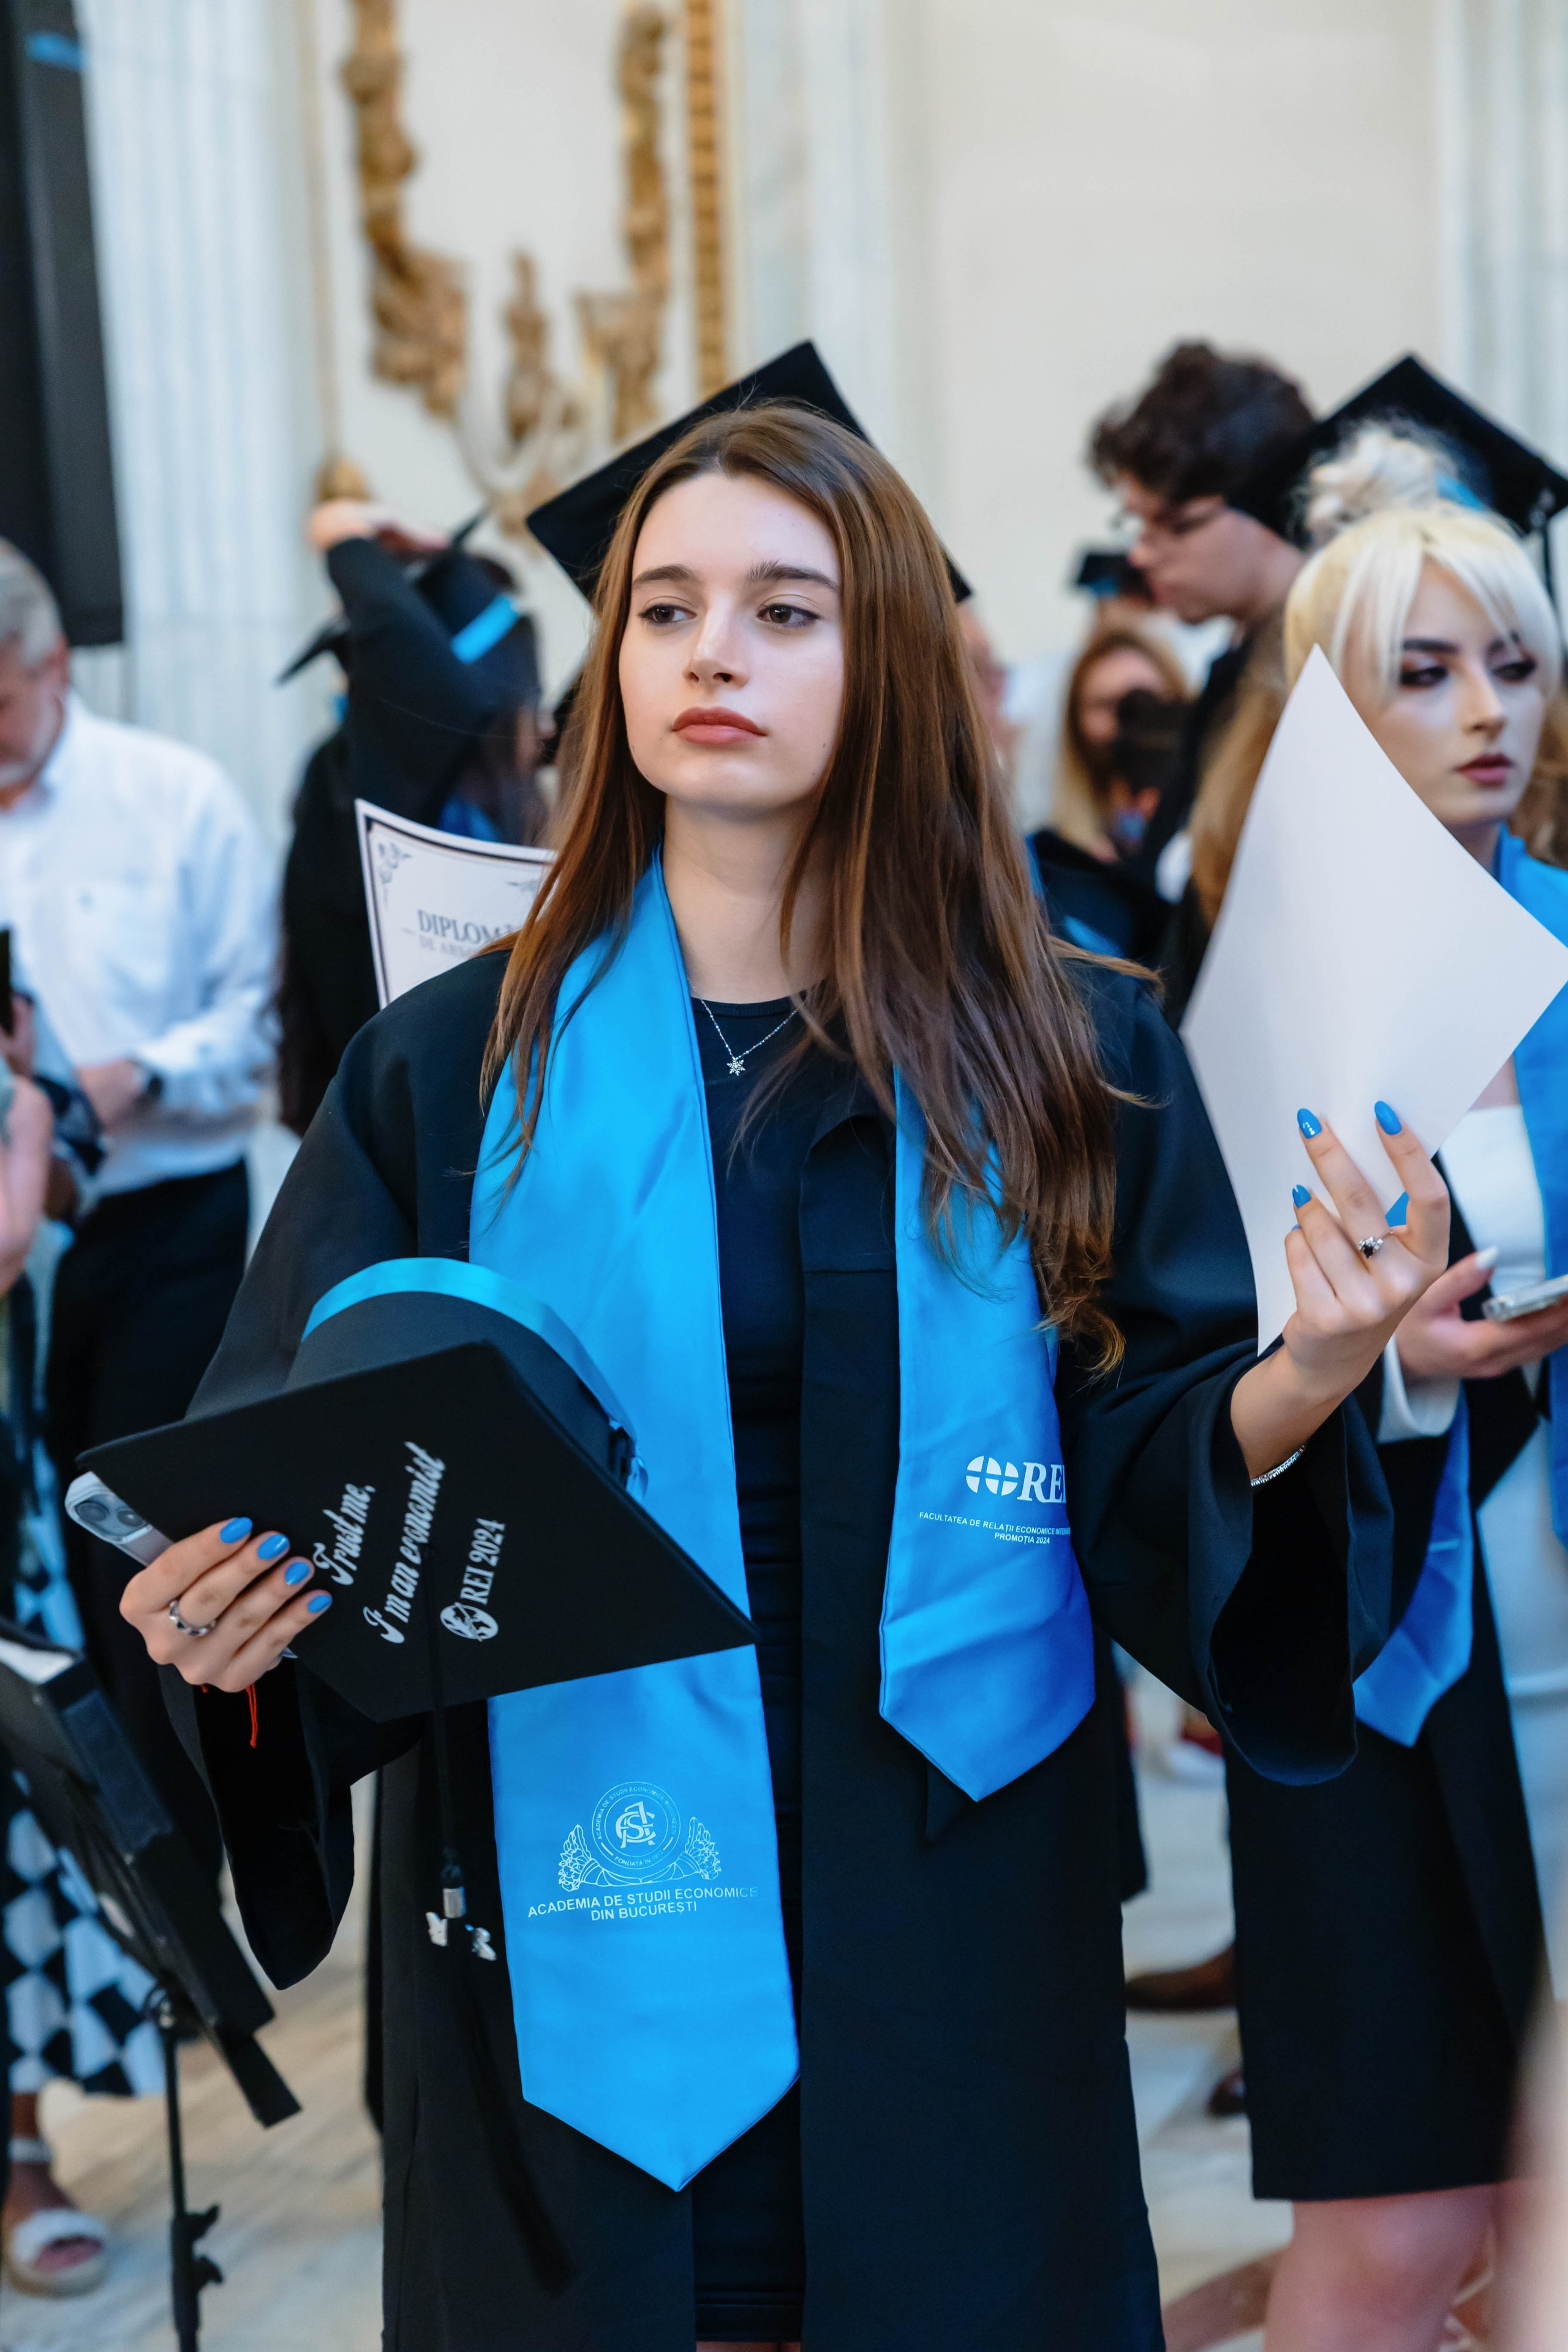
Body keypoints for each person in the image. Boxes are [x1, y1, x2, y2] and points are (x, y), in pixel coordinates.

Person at [118, 386, 1449, 2352]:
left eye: (781, 610)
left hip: (943, 1883)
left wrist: (1313, 1366)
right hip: (570, 1896)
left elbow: (1154, 1443)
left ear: (888, 656)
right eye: (663, 611)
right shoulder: (456, 1066)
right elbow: (302, 1448)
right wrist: (236, 1614)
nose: (710, 653)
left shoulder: (1067, 1053)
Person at [1196, 458, 1568, 2349]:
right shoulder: (1265, 994)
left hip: (1563, 1616)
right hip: (1373, 1660)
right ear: (1327, 706)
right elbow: (1183, 1380)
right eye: (1421, 671)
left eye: (1509, 660)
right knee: (1393, 2226)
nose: (1486, 711)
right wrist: (1384, 1363)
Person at [0, 541, 274, 1881]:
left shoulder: (178, 799)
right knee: (42, 1553)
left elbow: (255, 1028)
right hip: (17, 1250)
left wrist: (132, 1077)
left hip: (170, 1229)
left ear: (52, 667)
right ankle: (97, 1870)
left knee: (148, 1552)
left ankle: (184, 1864)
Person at [276, 501, 549, 1133]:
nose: (540, 723)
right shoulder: (355, 797)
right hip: (411, 1140)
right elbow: (427, 685)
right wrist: (343, 536)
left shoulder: (503, 806)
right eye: (526, 698)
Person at [1087, 341, 1314, 1004]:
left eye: (1174, 525)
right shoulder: (1232, 666)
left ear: (1271, 505)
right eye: (1136, 524)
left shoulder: (1332, 680)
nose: (1141, 552)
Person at [1028, 627, 1188, 963]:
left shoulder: (1202, 840)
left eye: (1143, 699)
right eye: (1105, 705)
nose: (1126, 722)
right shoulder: (1052, 860)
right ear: (1077, 723)